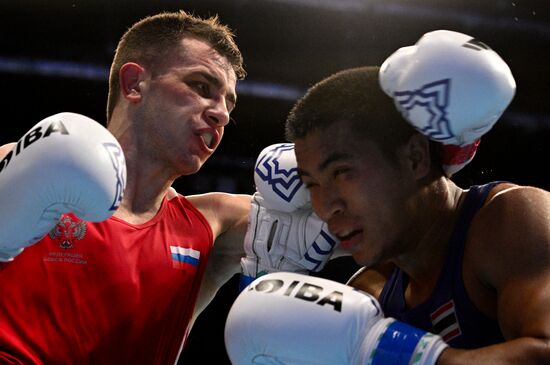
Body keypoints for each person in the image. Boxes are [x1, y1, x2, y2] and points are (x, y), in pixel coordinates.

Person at [224, 30, 550, 364]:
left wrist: (415, 356)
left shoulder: (509, 219)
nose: (325, 207)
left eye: (341, 172)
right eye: (312, 185)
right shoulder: (370, 293)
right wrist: (263, 288)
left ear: (415, 158)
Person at [0, 11, 252, 364]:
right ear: (134, 83)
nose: (222, 113)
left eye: (229, 102)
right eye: (201, 87)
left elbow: (342, 217)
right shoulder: (22, 162)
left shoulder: (213, 223)